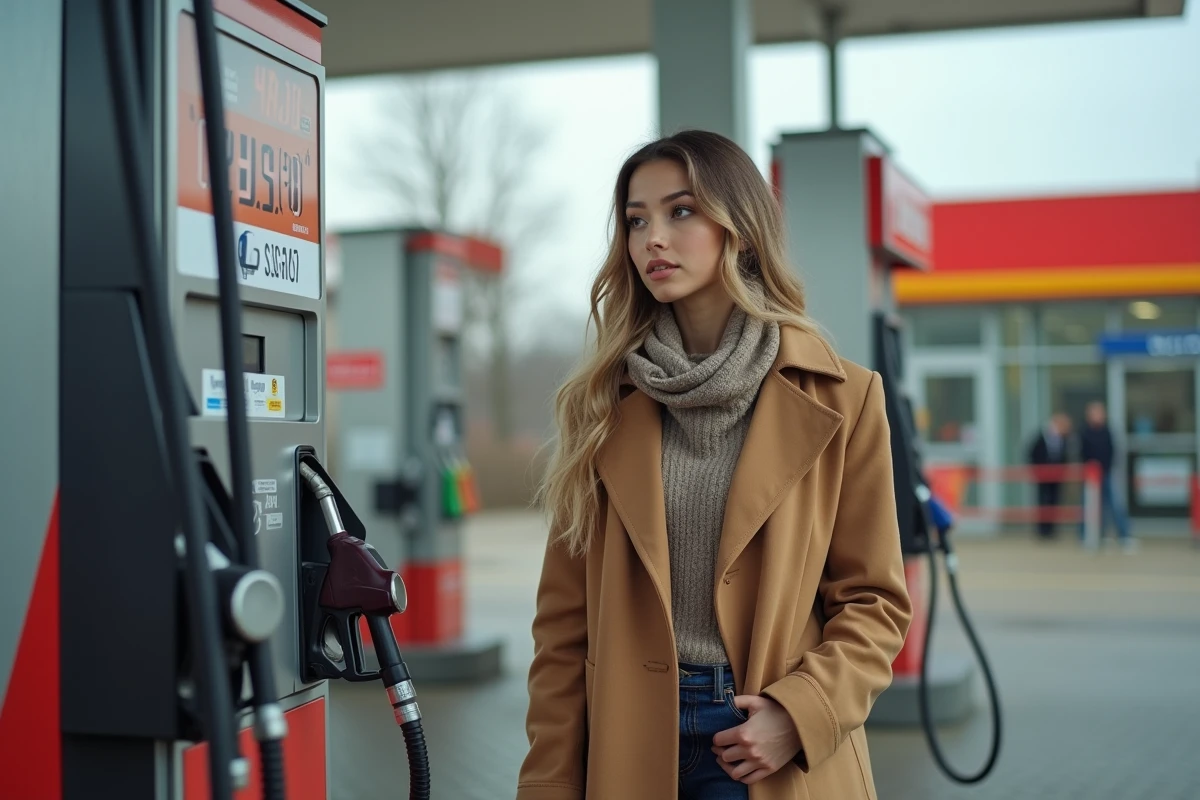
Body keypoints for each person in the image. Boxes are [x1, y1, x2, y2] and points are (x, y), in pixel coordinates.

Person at [516, 130, 913, 800]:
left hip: (766, 745)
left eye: (680, 211)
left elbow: (874, 602)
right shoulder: (599, 406)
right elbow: (562, 633)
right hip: (627, 745)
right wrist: (547, 786)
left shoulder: (845, 397)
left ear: (742, 228)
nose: (652, 239)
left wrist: (801, 714)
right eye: (636, 220)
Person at [1080, 401, 1136, 552]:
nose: (1097, 416)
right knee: (1090, 507)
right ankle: (1089, 536)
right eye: (1094, 413)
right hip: (1091, 477)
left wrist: (1106, 469)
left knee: (1115, 505)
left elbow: (1112, 451)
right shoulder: (1085, 432)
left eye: (1099, 413)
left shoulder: (1107, 431)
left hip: (1107, 474)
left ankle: (1124, 536)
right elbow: (1083, 454)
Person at [1028, 412, 1072, 540]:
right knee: (1043, 502)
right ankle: (1042, 530)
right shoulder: (1041, 436)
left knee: (1054, 502)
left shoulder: (1063, 439)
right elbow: (1032, 453)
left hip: (1056, 477)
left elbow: (1064, 457)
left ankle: (1051, 530)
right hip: (1042, 476)